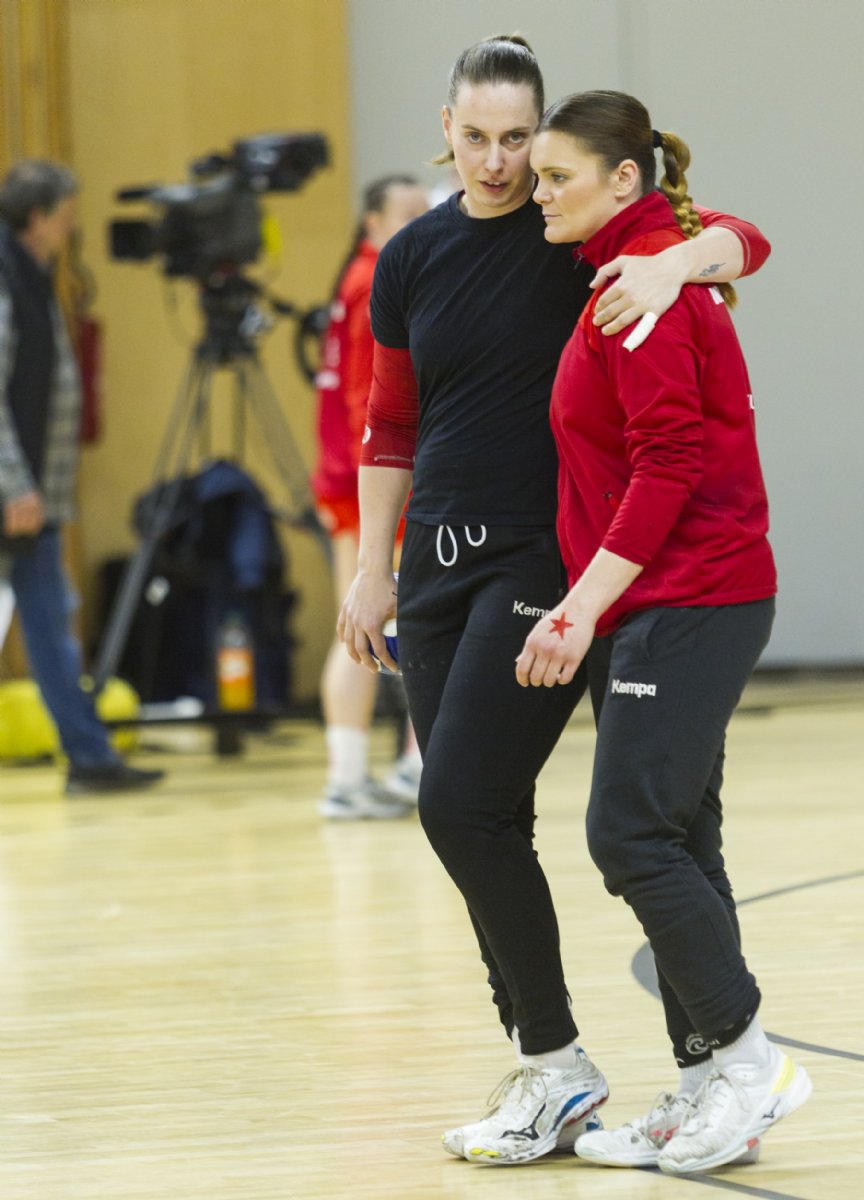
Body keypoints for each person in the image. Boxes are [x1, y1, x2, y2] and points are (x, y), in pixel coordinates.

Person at [338, 35, 772, 1166]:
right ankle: (627, 1073)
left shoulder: (572, 230)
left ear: (544, 141)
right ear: (444, 130)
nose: (499, 164)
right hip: (437, 563)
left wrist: (680, 264)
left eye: (518, 140)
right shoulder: (414, 252)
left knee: (469, 804)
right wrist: (374, 563)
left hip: (551, 563)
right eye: (477, 138)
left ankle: (602, 1066)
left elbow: (732, 234)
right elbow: (390, 420)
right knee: (512, 818)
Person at [517, 89, 810, 1175]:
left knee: (630, 835)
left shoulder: (643, 287)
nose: (539, 193)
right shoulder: (635, 263)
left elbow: (669, 468)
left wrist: (578, 607)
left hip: (693, 597)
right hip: (670, 599)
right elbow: (738, 236)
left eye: (557, 176)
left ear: (624, 179)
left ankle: (749, 1062)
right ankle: (703, 1087)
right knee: (682, 840)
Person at [0, 160, 164, 796]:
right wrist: (13, 485)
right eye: (65, 215)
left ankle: (90, 758)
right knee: (50, 622)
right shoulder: (6, 274)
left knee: (52, 625)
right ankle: (90, 755)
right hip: (16, 494)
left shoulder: (32, 271)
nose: (73, 227)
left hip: (34, 499)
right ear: (37, 217)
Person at [312, 175, 428, 819]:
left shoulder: (360, 276)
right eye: (406, 215)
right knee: (378, 623)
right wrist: (396, 481)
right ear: (373, 224)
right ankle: (371, 775)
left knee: (372, 624)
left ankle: (363, 775)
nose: (421, 224)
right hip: (369, 483)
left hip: (344, 480)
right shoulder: (375, 281)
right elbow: (373, 406)